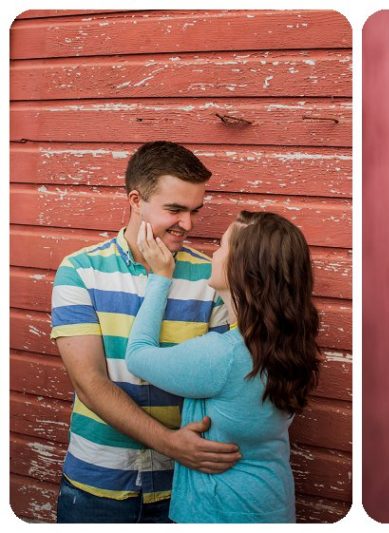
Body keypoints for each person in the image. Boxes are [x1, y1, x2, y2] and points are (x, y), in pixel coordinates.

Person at [50, 141, 241, 523]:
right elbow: (89, 382)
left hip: (183, 488)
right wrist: (171, 444)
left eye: (194, 211)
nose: (187, 224)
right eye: (175, 209)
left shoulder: (212, 278)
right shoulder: (80, 271)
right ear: (136, 200)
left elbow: (227, 376)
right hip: (96, 485)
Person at [125, 210, 321, 522]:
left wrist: (160, 277)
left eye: (222, 246)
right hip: (270, 503)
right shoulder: (287, 343)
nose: (213, 253)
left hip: (221, 512)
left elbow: (136, 355)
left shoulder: (225, 355)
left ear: (242, 269)